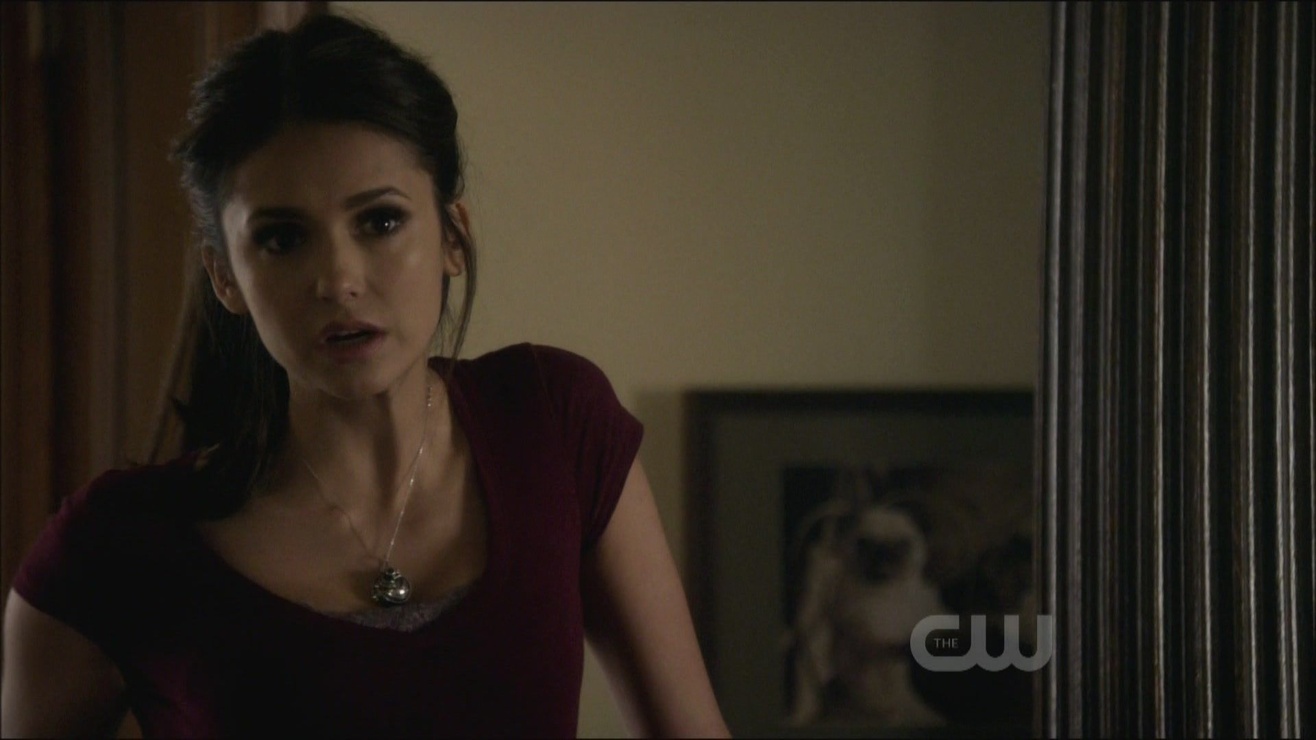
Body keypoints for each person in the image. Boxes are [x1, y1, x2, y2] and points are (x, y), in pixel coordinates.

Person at [1, 13, 729, 738]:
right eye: (282, 238)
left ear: (452, 236)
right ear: (224, 277)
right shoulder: (113, 548)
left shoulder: (554, 424)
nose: (338, 280)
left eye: (380, 222)